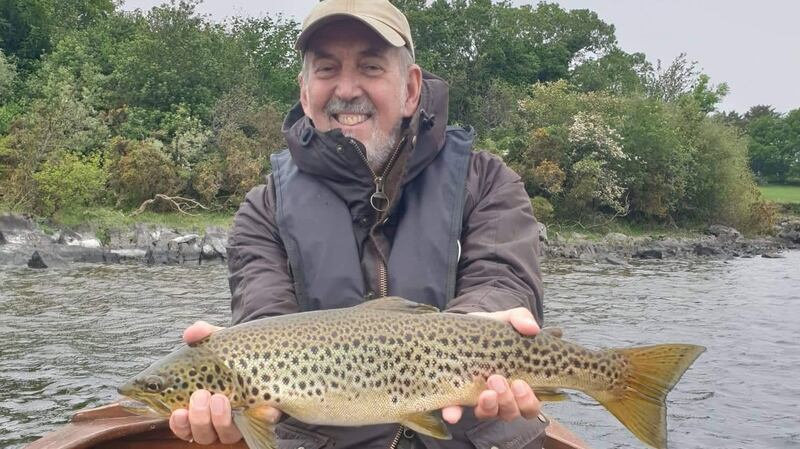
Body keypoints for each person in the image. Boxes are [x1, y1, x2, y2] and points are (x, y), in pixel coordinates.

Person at [168, 0, 545, 447]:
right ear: (304, 92)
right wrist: (238, 387)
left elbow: (502, 282)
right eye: (327, 69)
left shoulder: (487, 182)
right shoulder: (263, 210)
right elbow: (264, 317)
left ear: (411, 89)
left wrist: (474, 340)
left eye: (370, 67)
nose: (347, 89)